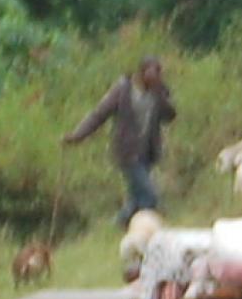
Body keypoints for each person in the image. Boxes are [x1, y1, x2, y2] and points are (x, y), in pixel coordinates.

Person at [63, 56, 176, 219]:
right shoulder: (123, 90)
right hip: (127, 152)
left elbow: (170, 116)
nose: (153, 78)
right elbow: (98, 115)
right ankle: (128, 226)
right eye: (150, 73)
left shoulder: (158, 92)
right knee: (150, 196)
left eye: (157, 74)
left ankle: (120, 228)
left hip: (147, 153)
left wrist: (159, 93)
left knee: (136, 199)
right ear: (141, 73)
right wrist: (77, 136)